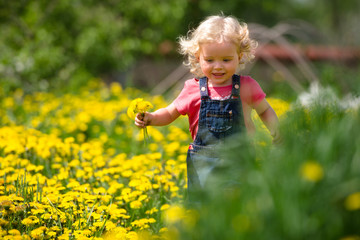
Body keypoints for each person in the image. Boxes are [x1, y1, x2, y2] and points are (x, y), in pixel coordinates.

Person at [134, 14, 280, 200]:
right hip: (203, 165)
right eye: (210, 60)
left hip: (239, 162)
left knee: (238, 207)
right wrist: (152, 118)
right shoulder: (192, 89)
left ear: (239, 56)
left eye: (226, 60)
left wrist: (277, 131)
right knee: (203, 209)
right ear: (198, 58)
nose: (218, 66)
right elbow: (170, 112)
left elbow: (265, 110)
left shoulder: (247, 86)